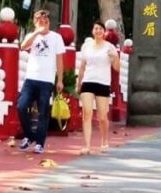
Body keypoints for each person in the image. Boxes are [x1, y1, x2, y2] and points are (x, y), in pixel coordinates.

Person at [16, 9, 65, 155]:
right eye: (40, 21)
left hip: (47, 80)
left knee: (43, 111)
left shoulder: (56, 38)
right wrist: (37, 32)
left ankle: (39, 143)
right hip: (31, 78)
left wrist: (60, 80)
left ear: (50, 23)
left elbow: (59, 60)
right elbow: (23, 46)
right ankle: (29, 135)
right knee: (21, 106)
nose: (43, 24)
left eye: (46, 21)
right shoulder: (33, 36)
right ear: (35, 22)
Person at [75, 20, 119, 154]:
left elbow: (116, 68)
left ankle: (104, 141)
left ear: (104, 31)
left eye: (100, 29)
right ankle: (87, 146)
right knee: (87, 113)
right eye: (96, 28)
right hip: (88, 81)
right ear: (92, 31)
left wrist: (115, 58)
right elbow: (82, 66)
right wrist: (79, 84)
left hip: (103, 83)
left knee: (102, 117)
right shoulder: (86, 46)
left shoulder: (109, 47)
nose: (98, 31)